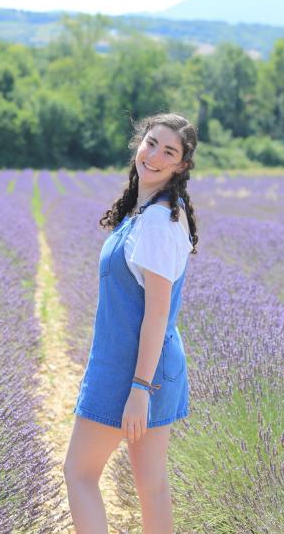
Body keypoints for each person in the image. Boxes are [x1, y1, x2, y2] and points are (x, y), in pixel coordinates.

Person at [64, 112, 198, 534]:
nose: (155, 155)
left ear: (181, 166)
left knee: (79, 473)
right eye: (151, 142)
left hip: (133, 370)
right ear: (138, 144)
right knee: (151, 485)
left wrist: (139, 389)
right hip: (148, 364)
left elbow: (159, 311)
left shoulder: (158, 221)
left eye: (169, 151)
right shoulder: (148, 212)